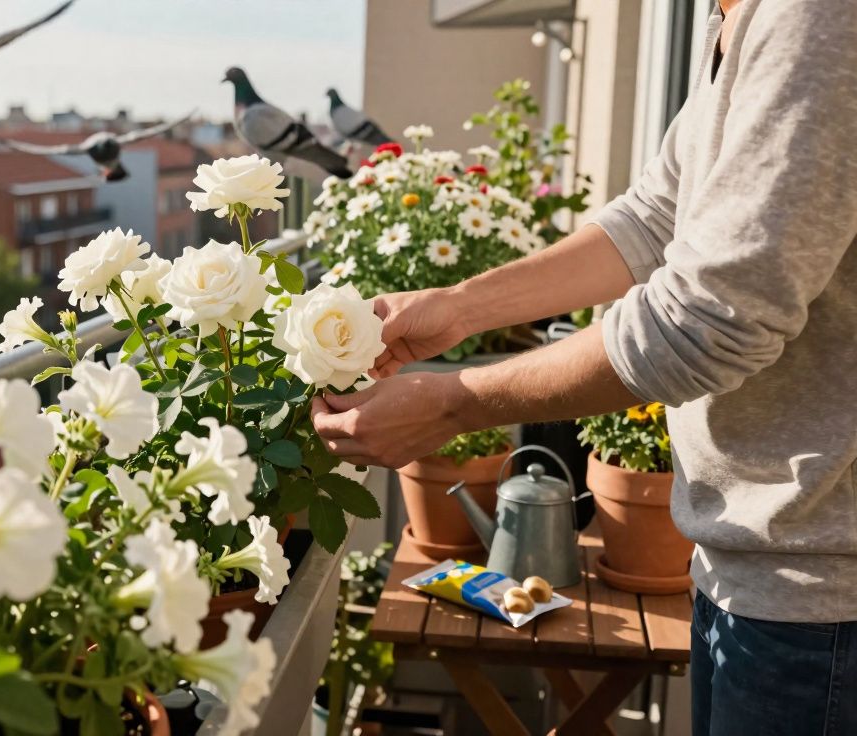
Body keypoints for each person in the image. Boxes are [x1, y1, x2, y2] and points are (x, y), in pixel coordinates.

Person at [310, 0, 857, 732]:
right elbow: (656, 218)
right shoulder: (738, 15)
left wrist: (451, 404)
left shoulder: (817, 17)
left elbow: (705, 321)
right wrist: (462, 306)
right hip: (757, 561)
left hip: (824, 596)